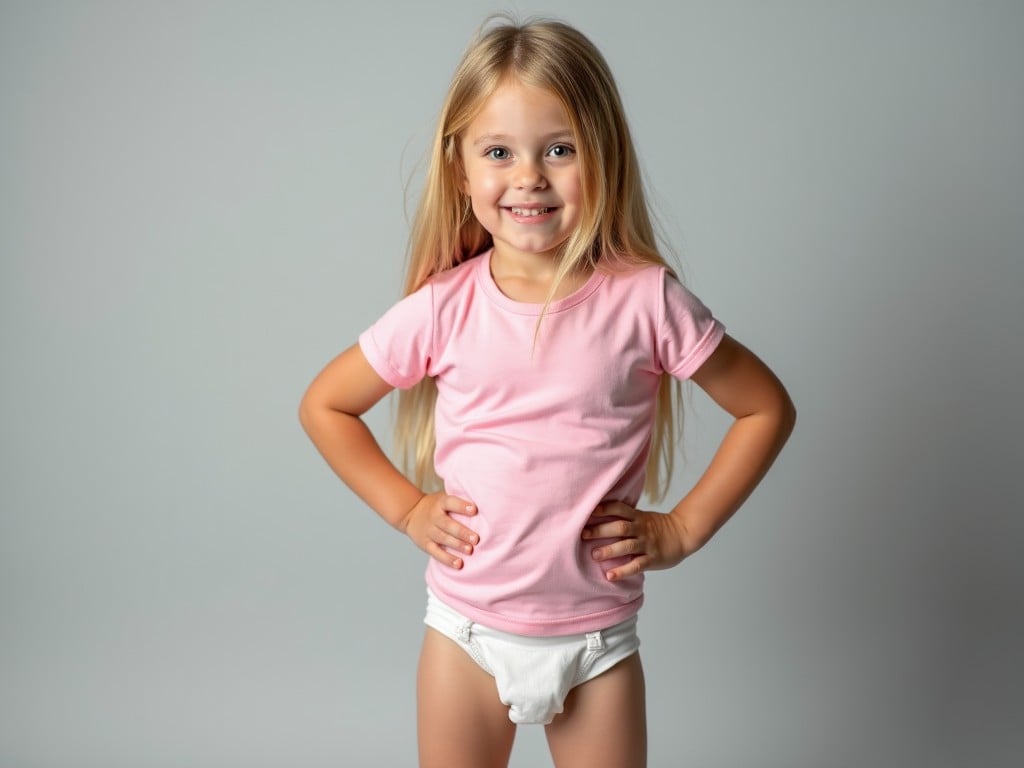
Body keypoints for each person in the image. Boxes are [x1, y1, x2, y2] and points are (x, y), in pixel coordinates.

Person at [299, 15, 795, 768]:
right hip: (465, 635)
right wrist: (406, 509)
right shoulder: (444, 307)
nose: (528, 176)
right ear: (460, 168)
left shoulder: (646, 301)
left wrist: (683, 531)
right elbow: (325, 404)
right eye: (498, 152)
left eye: (559, 150)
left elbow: (765, 407)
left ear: (604, 158)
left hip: (595, 643)